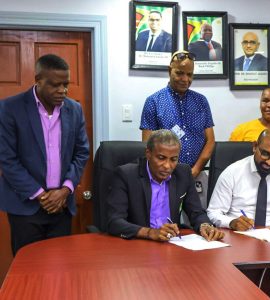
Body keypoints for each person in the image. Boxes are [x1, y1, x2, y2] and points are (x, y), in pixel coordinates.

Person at [0, 54, 90, 255]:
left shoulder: (74, 110)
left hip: (62, 206)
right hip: (25, 207)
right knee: (28, 269)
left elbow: (82, 152)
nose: (63, 90)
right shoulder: (9, 108)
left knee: (59, 268)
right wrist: (41, 195)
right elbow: (7, 159)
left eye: (65, 84)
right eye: (55, 85)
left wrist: (65, 190)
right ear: (38, 81)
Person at [107, 129, 224, 242]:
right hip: (138, 244)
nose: (167, 166)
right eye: (161, 158)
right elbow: (115, 222)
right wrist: (150, 233)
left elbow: (196, 212)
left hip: (172, 243)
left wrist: (205, 225)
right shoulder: (126, 175)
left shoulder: (183, 173)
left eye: (173, 159)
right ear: (148, 154)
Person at [140, 50, 215, 178]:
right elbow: (147, 145)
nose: (185, 79)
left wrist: (196, 170)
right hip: (164, 176)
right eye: (179, 73)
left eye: (189, 74)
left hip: (197, 174)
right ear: (170, 71)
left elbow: (210, 141)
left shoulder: (201, 101)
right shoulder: (154, 101)